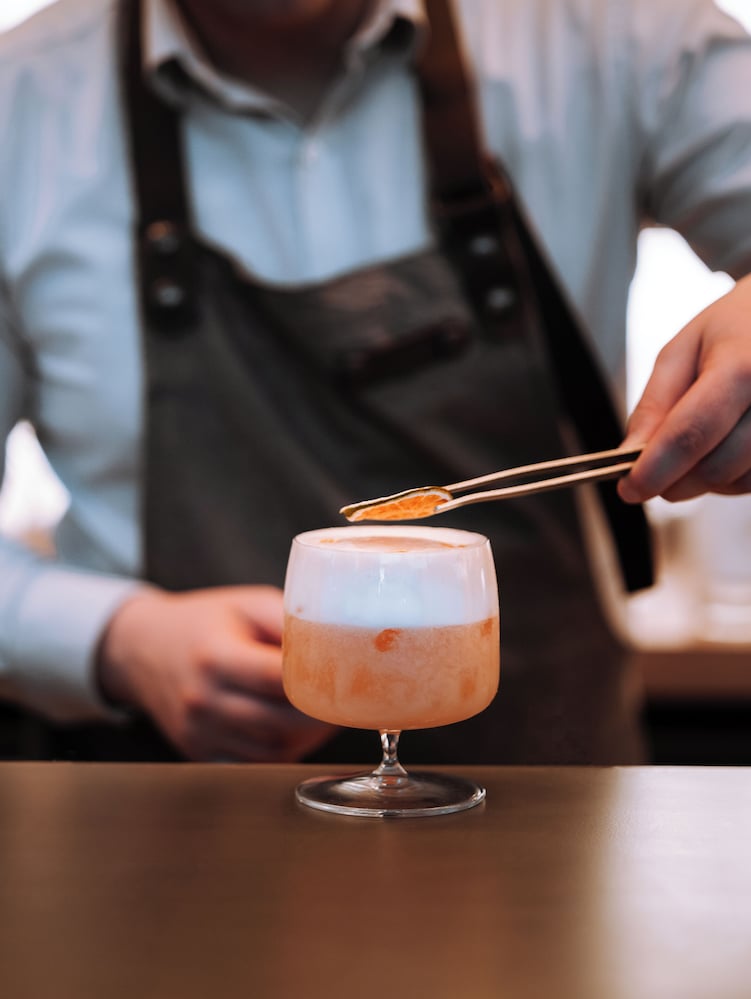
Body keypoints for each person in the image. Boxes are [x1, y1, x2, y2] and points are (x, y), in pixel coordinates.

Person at [0, 0, 749, 764]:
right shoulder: (19, 101)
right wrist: (118, 639)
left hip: (546, 787)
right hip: (165, 806)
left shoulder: (616, 32)